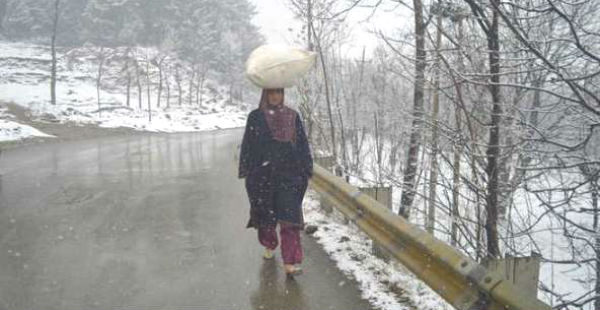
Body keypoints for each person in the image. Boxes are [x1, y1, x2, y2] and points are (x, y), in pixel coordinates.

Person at [238, 88, 313, 277]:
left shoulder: (292, 116)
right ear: (264, 94)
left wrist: (306, 167)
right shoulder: (255, 117)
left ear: (283, 94)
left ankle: (291, 262)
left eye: (278, 92)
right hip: (262, 175)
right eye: (271, 92)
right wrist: (246, 169)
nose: (275, 96)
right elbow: (248, 143)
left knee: (290, 220)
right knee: (266, 219)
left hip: (289, 175)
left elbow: (302, 143)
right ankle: (269, 244)